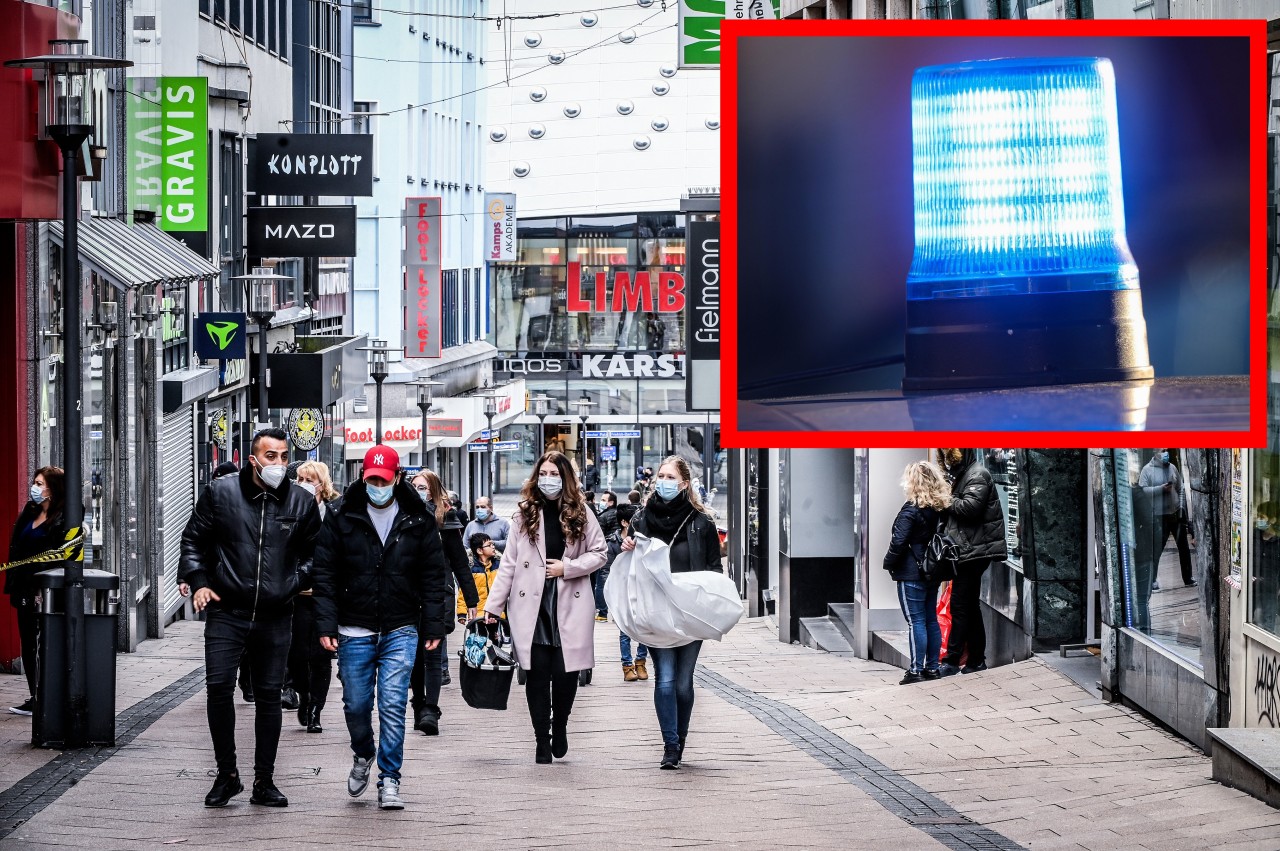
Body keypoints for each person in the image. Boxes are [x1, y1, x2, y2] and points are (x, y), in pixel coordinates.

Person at [180, 428, 322, 808]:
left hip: (276, 615)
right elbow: (194, 539)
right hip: (227, 610)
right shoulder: (221, 493)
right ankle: (227, 775)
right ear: (253, 459)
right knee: (219, 687)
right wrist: (198, 581)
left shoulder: (301, 502)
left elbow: (316, 554)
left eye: (283, 456)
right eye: (270, 456)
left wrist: (293, 582)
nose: (278, 464)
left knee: (269, 697)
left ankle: (265, 780)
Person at [311, 445, 451, 811]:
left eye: (383, 479)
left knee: (392, 704)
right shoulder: (341, 515)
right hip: (353, 626)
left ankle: (390, 779)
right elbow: (324, 573)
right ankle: (363, 753)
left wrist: (434, 624)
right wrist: (326, 622)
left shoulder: (418, 518)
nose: (376, 485)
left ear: (397, 478)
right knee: (356, 704)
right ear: (362, 477)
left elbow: (434, 577)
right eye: (370, 479)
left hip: (401, 626)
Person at [483, 450, 607, 764]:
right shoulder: (525, 514)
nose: (548, 480)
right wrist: (493, 607)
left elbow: (600, 553)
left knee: (566, 674)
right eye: (544, 473)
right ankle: (541, 738)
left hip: (569, 600)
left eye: (554, 474)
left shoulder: (582, 512)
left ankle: (560, 724)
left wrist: (569, 567)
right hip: (531, 604)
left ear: (565, 478)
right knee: (536, 674)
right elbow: (508, 564)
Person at [621, 455, 722, 769]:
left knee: (682, 683)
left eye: (670, 477)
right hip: (655, 612)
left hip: (690, 613)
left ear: (685, 484)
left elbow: (715, 568)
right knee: (664, 679)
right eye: (660, 476)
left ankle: (680, 737)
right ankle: (671, 747)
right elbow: (626, 564)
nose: (663, 482)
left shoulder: (702, 522)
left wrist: (706, 597)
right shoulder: (642, 519)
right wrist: (624, 547)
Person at [407, 468, 479, 736]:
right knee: (414, 657)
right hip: (408, 596)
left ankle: (430, 710)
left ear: (434, 490)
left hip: (438, 595)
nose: (419, 491)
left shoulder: (446, 521)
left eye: (424, 486)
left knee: (432, 653)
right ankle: (418, 705)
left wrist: (471, 599)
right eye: (414, 486)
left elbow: (460, 562)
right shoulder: (403, 516)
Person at [935, 449, 1008, 677]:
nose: (949, 464)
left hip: (975, 551)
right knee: (969, 606)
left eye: (951, 459)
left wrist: (945, 497)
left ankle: (952, 660)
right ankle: (976, 659)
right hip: (970, 550)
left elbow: (969, 509)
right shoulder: (966, 474)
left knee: (960, 606)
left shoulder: (977, 474)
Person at [286, 461, 342, 733]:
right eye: (298, 478)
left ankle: (316, 709)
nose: (302, 483)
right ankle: (304, 696)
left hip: (325, 595)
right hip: (296, 593)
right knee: (296, 655)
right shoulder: (289, 508)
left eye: (308, 479)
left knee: (321, 655)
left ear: (322, 483)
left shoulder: (335, 511)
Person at [6, 466, 66, 716]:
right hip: (23, 588)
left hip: (45, 591)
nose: (35, 487)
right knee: (28, 644)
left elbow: (61, 556)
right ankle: (35, 695)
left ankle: (49, 695)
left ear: (53, 489)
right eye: (35, 482)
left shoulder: (62, 518)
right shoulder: (29, 512)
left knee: (46, 644)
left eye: (40, 484)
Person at [883, 461, 950, 685]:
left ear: (914, 482)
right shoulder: (938, 510)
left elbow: (898, 542)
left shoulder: (910, 511)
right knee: (930, 619)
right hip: (932, 570)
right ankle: (932, 667)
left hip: (911, 572)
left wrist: (888, 562)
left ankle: (915, 670)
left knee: (916, 621)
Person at [1139, 449, 1195, 592]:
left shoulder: (1172, 467)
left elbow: (1180, 487)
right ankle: (1152, 580)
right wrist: (1161, 489)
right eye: (1162, 450)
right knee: (1156, 550)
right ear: (1155, 452)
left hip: (1175, 514)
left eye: (1166, 450)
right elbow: (1143, 490)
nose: (1166, 453)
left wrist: (1182, 507)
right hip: (1159, 516)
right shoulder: (1147, 470)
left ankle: (1188, 578)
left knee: (1184, 548)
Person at [614, 503, 648, 682]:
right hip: (623, 591)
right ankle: (627, 666)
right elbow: (608, 570)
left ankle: (641, 662)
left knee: (644, 628)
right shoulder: (614, 541)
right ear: (625, 523)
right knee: (624, 631)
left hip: (642, 590)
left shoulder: (644, 540)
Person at [460, 533, 502, 623]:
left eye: (493, 544)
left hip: (497, 614)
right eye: (489, 545)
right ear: (479, 550)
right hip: (478, 615)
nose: (493, 547)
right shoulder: (471, 569)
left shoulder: (499, 566)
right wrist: (462, 613)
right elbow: (464, 592)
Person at [593, 492, 621, 623]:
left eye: (604, 500)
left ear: (611, 502)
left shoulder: (603, 517)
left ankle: (603, 612)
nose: (601, 501)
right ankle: (618, 614)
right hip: (621, 547)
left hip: (607, 549)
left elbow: (599, 536)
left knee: (602, 580)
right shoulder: (620, 514)